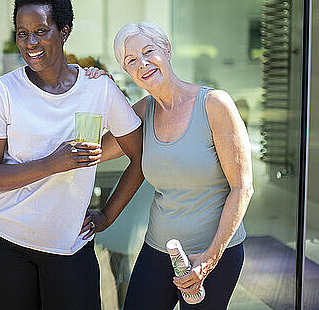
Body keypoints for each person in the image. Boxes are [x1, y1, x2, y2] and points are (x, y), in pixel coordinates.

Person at [0, 0, 145, 310]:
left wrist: (107, 215)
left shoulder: (99, 89)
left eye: (41, 31)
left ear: (64, 32)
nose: (31, 43)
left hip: (69, 246)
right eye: (22, 33)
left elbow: (139, 156)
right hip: (3, 242)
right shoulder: (3, 91)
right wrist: (53, 163)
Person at [92, 21, 253, 309]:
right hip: (158, 249)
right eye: (131, 61)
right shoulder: (143, 111)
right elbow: (95, 152)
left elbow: (242, 188)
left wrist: (210, 258)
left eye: (148, 51)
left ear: (166, 49)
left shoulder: (215, 105)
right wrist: (96, 88)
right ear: (128, 72)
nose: (142, 63)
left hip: (214, 253)